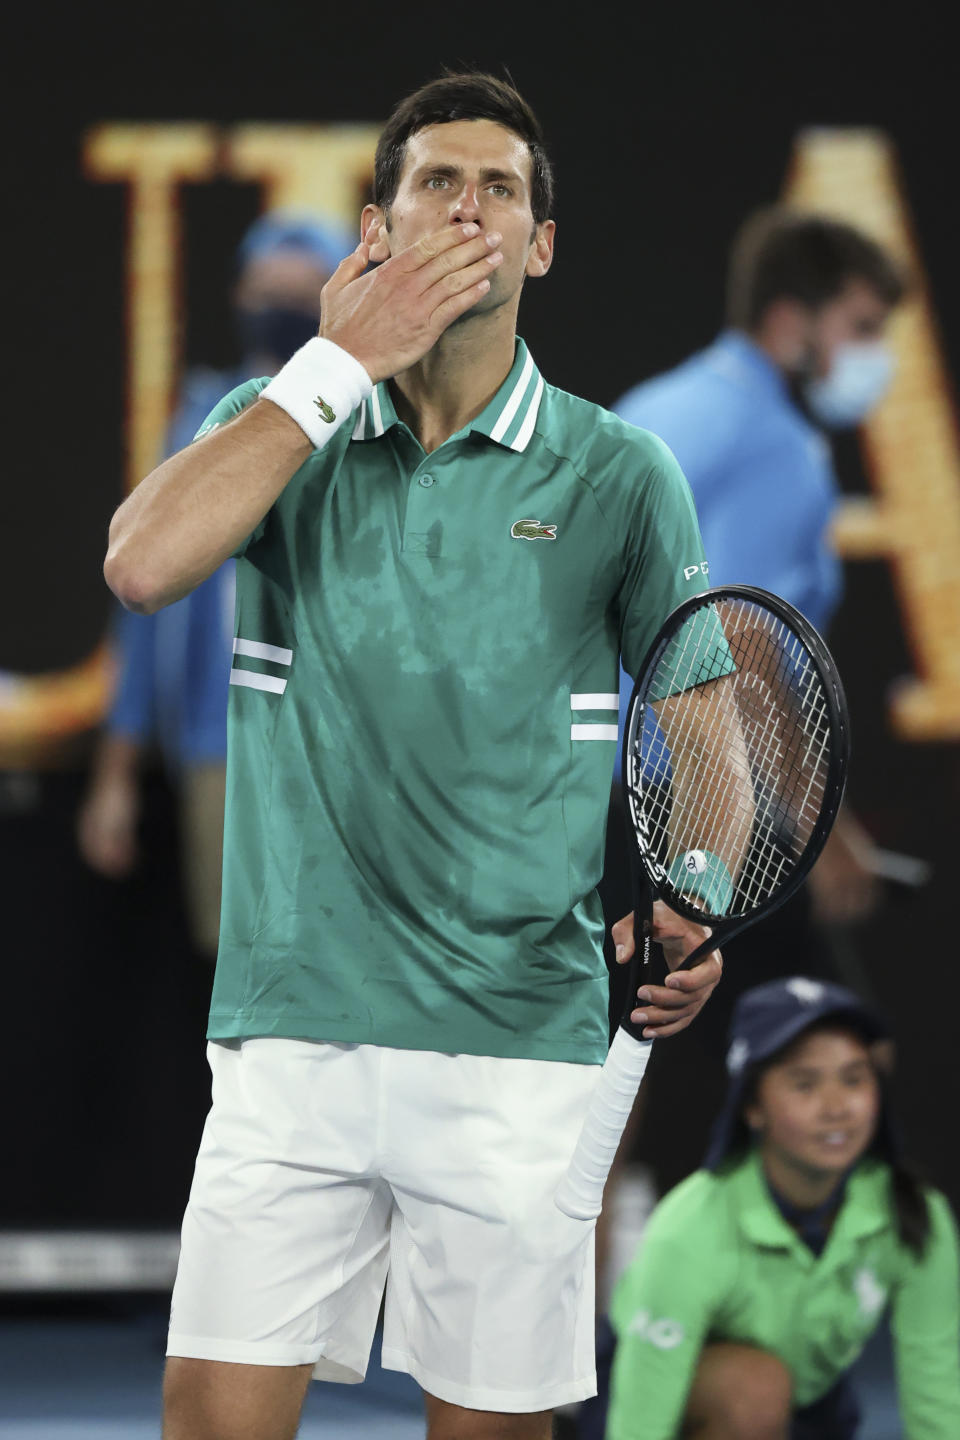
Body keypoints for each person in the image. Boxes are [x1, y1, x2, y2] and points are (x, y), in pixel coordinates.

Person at [104, 72, 724, 1440]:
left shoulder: (620, 475)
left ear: (540, 244)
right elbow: (143, 565)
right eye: (436, 183)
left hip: (515, 1053)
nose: (469, 209)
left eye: (500, 189)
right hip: (291, 1035)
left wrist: (693, 886)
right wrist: (334, 368)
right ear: (376, 229)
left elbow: (698, 731)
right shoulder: (279, 433)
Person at [600, 209, 908, 1198]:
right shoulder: (781, 444)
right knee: (833, 1054)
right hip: (684, 799)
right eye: (861, 328)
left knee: (613, 1076)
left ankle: (583, 1342)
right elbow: (741, 641)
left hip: (587, 785)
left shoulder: (664, 400)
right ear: (792, 320)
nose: (874, 358)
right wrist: (818, 824)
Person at [78, 212, 350, 955]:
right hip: (217, 746)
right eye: (267, 291)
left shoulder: (377, 417)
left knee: (340, 971)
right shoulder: (203, 418)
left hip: (344, 746)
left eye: (301, 292)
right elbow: (143, 608)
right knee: (237, 974)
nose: (281, 306)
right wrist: (116, 776)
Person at [605, 977, 960, 1438]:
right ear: (752, 1106)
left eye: (853, 1079)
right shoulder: (691, 1225)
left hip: (811, 1409)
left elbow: (936, 1396)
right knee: (757, 1389)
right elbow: (639, 1420)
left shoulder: (917, 1213)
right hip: (645, 1398)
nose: (836, 1108)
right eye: (804, 1083)